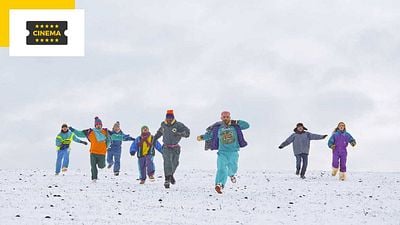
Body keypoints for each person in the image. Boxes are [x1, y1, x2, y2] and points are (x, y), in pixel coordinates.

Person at [197, 111, 249, 194]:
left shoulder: (235, 126)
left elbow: (247, 125)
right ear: (221, 118)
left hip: (233, 152)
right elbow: (210, 135)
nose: (225, 118)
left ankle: (231, 175)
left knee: (233, 168)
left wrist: (236, 122)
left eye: (227, 117)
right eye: (224, 117)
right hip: (222, 152)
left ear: (230, 117)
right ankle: (219, 184)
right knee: (221, 168)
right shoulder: (218, 127)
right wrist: (202, 137)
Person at [69, 116, 117, 182]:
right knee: (93, 166)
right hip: (93, 153)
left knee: (101, 166)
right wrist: (73, 130)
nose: (98, 126)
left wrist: (125, 137)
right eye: (97, 125)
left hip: (102, 153)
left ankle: (102, 165)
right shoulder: (90, 132)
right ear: (95, 125)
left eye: (100, 125)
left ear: (101, 125)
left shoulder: (106, 132)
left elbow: (115, 136)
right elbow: (80, 134)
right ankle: (94, 178)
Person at [153, 110, 190, 189]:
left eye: (170, 118)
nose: (169, 119)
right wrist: (154, 139)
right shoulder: (163, 125)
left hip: (175, 147)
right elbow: (159, 133)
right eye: (167, 118)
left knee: (175, 163)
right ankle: (167, 179)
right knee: (167, 162)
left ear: (173, 118)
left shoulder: (178, 125)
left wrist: (180, 134)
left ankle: (170, 175)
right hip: (166, 147)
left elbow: (187, 133)